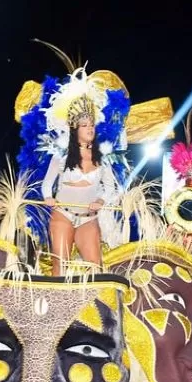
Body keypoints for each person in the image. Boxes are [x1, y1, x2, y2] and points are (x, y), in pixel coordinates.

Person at [41, 100, 119, 275]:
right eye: (84, 125)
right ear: (75, 130)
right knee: (60, 264)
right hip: (63, 214)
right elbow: (47, 184)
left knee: (95, 267)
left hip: (88, 218)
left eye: (92, 125)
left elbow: (110, 187)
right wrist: (48, 197)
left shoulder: (103, 158)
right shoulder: (62, 156)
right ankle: (57, 300)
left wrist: (101, 200)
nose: (90, 129)